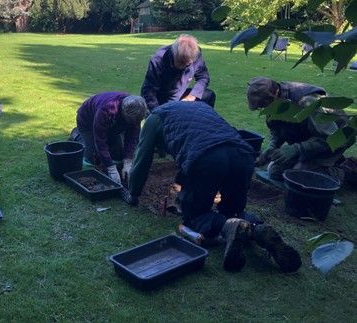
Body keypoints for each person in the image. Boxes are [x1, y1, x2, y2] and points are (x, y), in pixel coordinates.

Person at [122, 101, 301, 273]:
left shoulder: (154, 118)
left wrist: (133, 192)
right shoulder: (200, 107)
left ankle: (227, 226)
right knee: (234, 212)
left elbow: (142, 158)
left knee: (195, 216)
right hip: (242, 154)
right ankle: (257, 229)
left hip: (207, 158)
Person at [247, 77, 353, 184]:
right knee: (275, 171)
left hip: (338, 138)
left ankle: (347, 170)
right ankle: (320, 162)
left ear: (274, 97)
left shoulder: (307, 101)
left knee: (299, 176)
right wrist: (272, 147)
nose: (264, 111)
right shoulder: (276, 101)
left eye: (263, 107)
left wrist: (296, 149)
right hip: (310, 137)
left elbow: (331, 138)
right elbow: (276, 128)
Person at [72, 93, 147, 185]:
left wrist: (128, 160)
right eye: (131, 121)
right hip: (87, 121)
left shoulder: (136, 110)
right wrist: (110, 168)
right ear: (123, 112)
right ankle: (77, 135)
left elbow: (132, 137)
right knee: (94, 157)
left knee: (119, 155)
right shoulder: (106, 110)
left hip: (111, 124)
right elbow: (100, 141)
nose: (134, 123)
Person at [140, 34, 216, 111]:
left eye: (188, 64)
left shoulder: (196, 54)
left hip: (182, 96)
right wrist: (158, 112)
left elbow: (203, 77)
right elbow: (149, 91)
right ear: (174, 55)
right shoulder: (159, 59)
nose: (184, 66)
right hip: (162, 99)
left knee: (209, 95)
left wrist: (192, 96)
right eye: (181, 62)